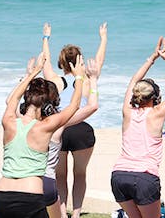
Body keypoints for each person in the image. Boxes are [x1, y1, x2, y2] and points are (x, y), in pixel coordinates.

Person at [0, 52, 86, 218]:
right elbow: (74, 105)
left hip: (0, 196)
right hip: (30, 196)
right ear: (48, 108)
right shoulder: (45, 127)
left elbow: (13, 98)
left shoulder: (9, 121)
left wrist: (33, 73)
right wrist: (79, 78)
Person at [110, 37, 165, 218]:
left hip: (119, 176)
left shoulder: (127, 111)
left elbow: (133, 80)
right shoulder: (157, 114)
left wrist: (151, 59)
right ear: (155, 97)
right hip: (144, 177)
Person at [42, 21, 107, 218]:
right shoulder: (87, 79)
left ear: (62, 63)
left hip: (59, 128)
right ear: (80, 60)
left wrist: (46, 38)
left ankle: (61, 213)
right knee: (80, 174)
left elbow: (45, 61)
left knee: (60, 175)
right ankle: (76, 214)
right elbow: (99, 61)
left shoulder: (54, 80)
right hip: (81, 129)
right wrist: (103, 38)